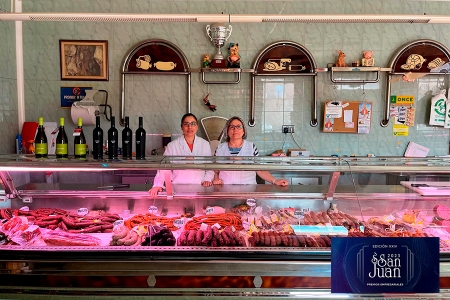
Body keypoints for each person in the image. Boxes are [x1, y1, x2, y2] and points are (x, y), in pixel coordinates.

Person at [149, 113, 213, 197]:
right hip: (177, 187)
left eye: (193, 124)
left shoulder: (205, 144)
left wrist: (207, 179)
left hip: (199, 187)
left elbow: (210, 166)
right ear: (181, 127)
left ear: (197, 126)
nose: (190, 127)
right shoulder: (172, 146)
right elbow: (163, 168)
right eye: (186, 124)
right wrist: (157, 185)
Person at [213, 116, 289, 186]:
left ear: (243, 131)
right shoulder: (220, 148)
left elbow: (260, 170)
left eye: (239, 127)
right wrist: (216, 178)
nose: (235, 129)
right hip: (225, 189)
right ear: (227, 131)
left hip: (248, 189)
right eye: (232, 127)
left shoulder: (251, 147)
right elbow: (215, 170)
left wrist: (274, 180)